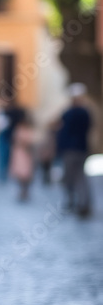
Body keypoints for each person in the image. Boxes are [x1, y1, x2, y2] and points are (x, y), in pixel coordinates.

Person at [56, 83, 92, 217]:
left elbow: (62, 129)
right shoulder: (86, 113)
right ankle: (83, 203)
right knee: (80, 177)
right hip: (81, 148)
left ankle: (73, 202)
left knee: (70, 177)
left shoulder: (69, 113)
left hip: (70, 149)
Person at [9, 115, 36, 201]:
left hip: (26, 154)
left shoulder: (28, 131)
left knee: (26, 174)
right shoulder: (19, 130)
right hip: (20, 154)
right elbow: (17, 141)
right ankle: (22, 191)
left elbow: (31, 142)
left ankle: (25, 191)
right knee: (21, 174)